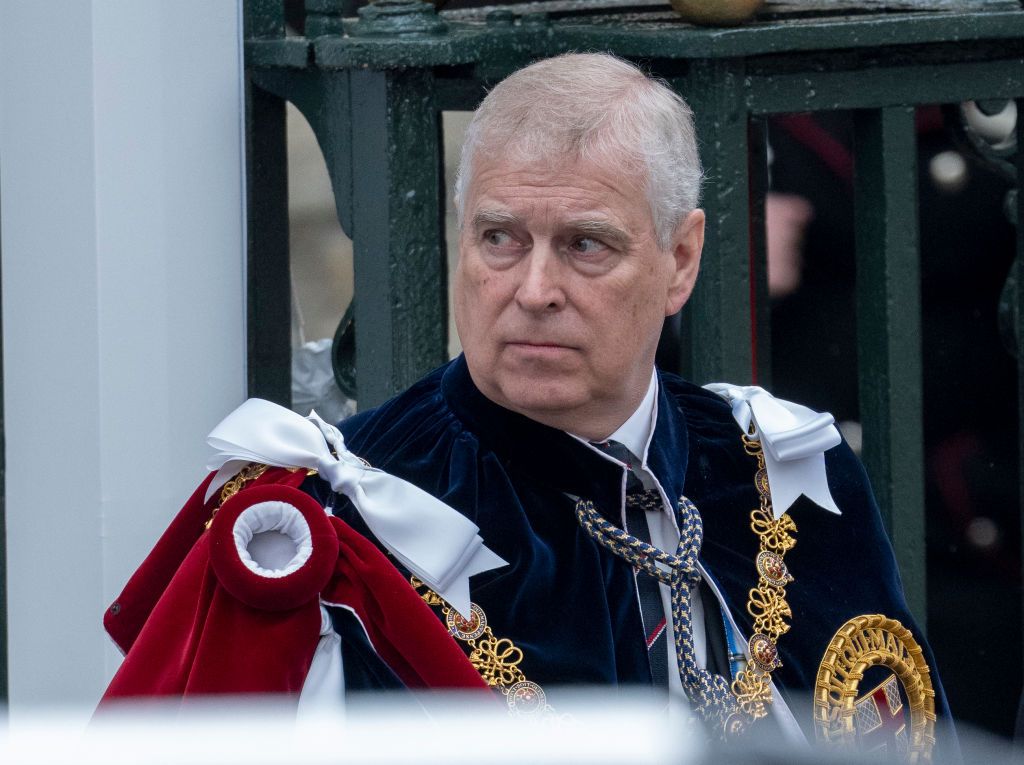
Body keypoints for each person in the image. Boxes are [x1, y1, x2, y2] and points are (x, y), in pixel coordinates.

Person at [102, 53, 950, 757]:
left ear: (681, 260)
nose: (533, 290)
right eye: (500, 238)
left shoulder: (784, 468)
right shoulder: (333, 534)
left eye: (585, 245)